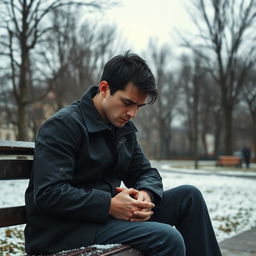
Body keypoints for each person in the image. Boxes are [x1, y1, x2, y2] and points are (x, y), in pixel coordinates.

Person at [25, 52, 222, 256]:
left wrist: (146, 193)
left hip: (103, 220)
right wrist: (108, 205)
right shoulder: (63, 125)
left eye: (138, 106)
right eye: (128, 102)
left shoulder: (122, 129)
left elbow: (146, 172)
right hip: (65, 231)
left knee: (189, 197)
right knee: (167, 238)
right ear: (104, 89)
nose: (133, 113)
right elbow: (48, 193)